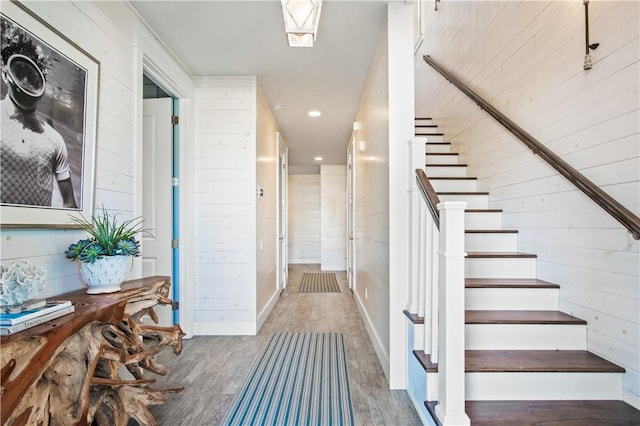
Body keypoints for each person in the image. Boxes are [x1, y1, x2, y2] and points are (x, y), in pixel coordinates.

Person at [1, 34, 77, 208]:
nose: (27, 82)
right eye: (20, 72)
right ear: (6, 74)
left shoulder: (55, 139)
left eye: (33, 77)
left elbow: (69, 204)